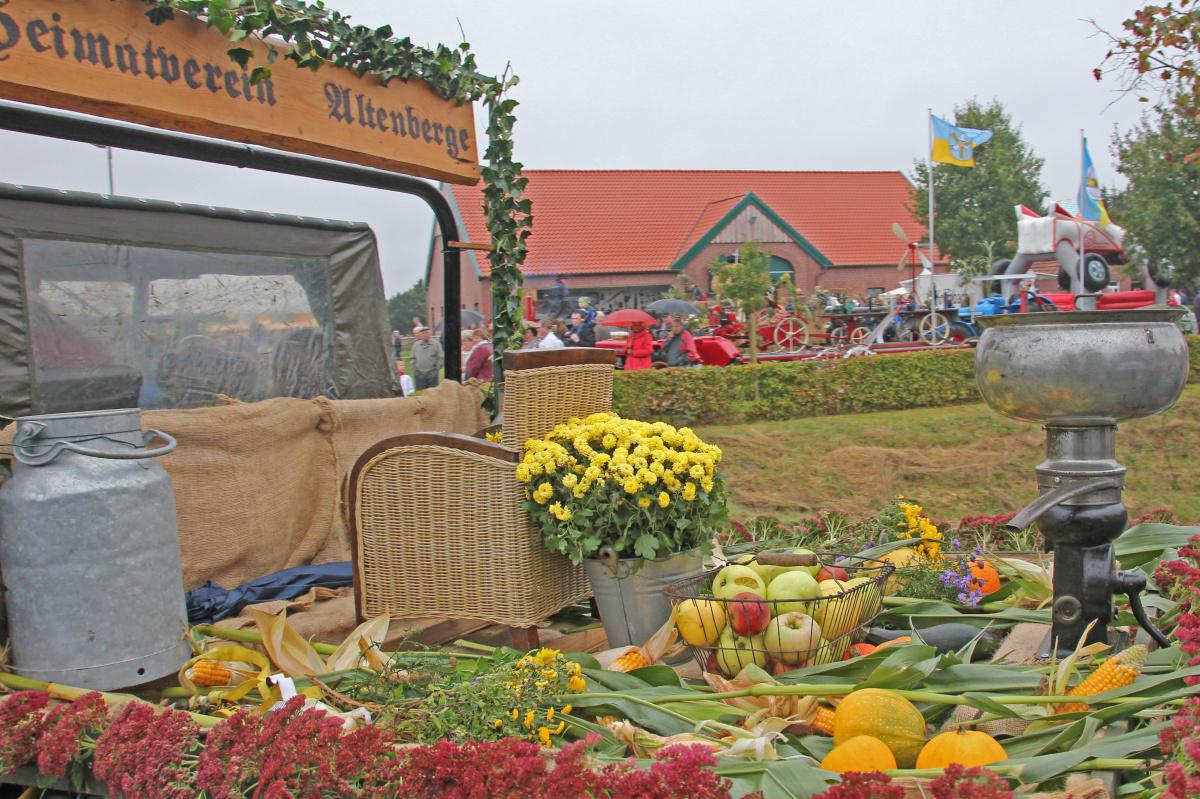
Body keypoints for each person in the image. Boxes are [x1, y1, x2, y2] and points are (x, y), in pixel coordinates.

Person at [410, 325, 443, 390]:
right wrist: (415, 370)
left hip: (432, 375)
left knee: (432, 393)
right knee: (421, 394)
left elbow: (440, 357)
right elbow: (412, 358)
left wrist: (436, 370)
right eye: (423, 333)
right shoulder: (416, 345)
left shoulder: (436, 344)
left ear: (430, 334)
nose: (425, 335)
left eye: (427, 333)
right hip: (419, 375)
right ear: (420, 335)